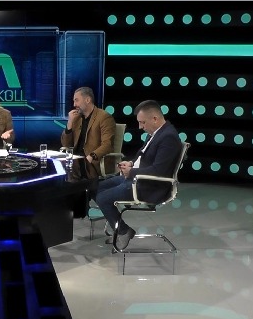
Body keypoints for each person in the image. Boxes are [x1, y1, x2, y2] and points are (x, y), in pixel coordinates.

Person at [94, 99, 183, 252]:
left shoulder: (168, 137)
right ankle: (119, 227)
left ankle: (123, 231)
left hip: (150, 186)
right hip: (138, 178)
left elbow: (159, 171)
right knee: (95, 188)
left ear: (154, 118)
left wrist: (132, 172)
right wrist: (130, 163)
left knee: (102, 198)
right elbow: (143, 157)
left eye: (143, 123)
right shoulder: (155, 133)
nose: (140, 127)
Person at [60, 86, 117, 177]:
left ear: (87, 100)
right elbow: (66, 144)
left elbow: (107, 145)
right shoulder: (76, 118)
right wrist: (70, 122)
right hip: (76, 161)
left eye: (76, 100)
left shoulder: (104, 117)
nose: (74, 104)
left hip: (93, 162)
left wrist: (91, 156)